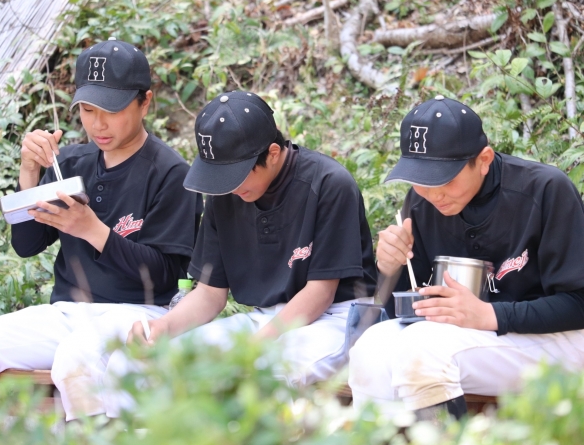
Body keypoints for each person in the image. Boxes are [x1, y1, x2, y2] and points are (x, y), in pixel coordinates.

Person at [0, 38, 201, 421]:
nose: (98, 124)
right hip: (67, 312)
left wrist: (93, 230)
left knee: (75, 362)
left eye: (112, 110)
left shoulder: (171, 173)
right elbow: (27, 245)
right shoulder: (71, 163)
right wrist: (29, 174)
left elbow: (164, 275)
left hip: (138, 313)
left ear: (145, 102)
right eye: (88, 110)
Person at [107, 90, 377, 397]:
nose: (229, 186)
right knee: (138, 363)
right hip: (263, 319)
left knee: (258, 375)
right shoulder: (226, 193)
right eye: (219, 176)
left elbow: (320, 293)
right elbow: (210, 293)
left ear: (272, 153)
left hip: (335, 318)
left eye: (235, 175)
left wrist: (253, 348)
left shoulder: (328, 183)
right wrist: (164, 327)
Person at [348, 96, 584, 420]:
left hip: (557, 339)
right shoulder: (420, 204)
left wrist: (489, 315)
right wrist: (390, 269)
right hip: (468, 338)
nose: (434, 194)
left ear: (484, 159)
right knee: (371, 347)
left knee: (422, 348)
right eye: (421, 179)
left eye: (444, 179)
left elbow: (578, 304)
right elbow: (405, 311)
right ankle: (382, 440)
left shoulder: (544, 190)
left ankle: (445, 440)